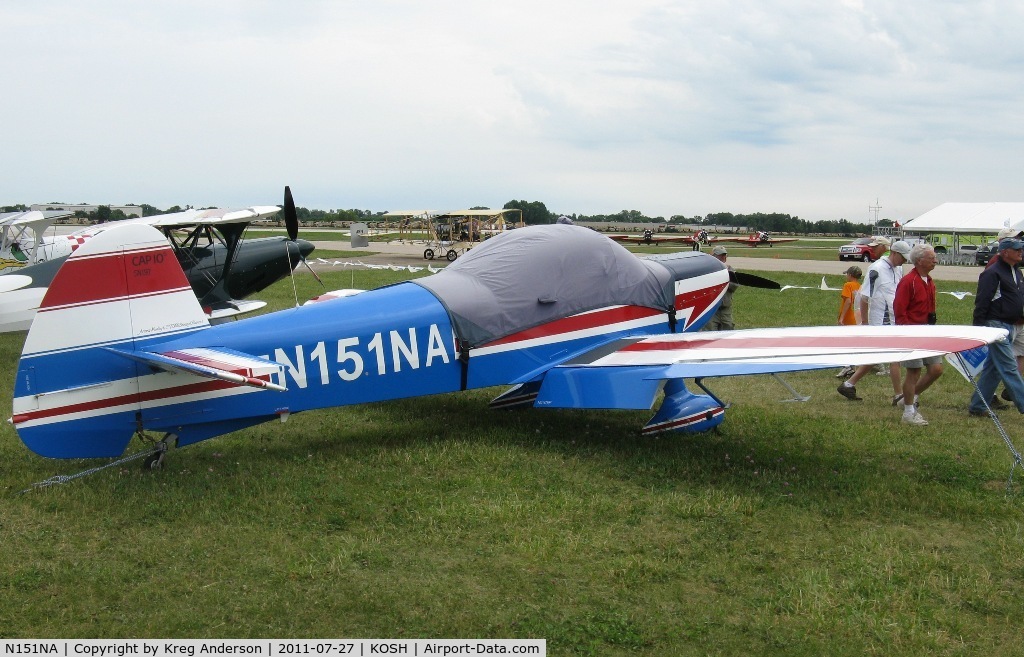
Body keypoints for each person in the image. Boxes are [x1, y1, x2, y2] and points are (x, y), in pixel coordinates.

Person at [837, 238, 910, 402]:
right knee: (895, 357)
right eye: (903, 257)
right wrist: (865, 323)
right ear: (894, 253)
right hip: (880, 320)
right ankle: (899, 395)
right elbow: (864, 297)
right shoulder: (876, 269)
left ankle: (848, 385)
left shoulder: (899, 269)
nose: (905, 261)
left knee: (877, 357)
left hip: (893, 317)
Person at [968, 237, 1024, 416]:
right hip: (995, 325)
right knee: (1009, 367)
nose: (1020, 252)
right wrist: (978, 328)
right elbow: (982, 301)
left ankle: (977, 406)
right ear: (1005, 252)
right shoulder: (992, 273)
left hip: (1012, 325)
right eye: (1017, 249)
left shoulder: (1017, 272)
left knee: (993, 369)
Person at [893, 244, 941, 426]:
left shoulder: (929, 281)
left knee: (936, 370)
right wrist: (907, 333)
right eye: (931, 258)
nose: (935, 261)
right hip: (911, 332)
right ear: (920, 261)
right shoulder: (908, 282)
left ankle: (909, 398)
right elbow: (899, 310)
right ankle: (908, 412)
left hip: (928, 331)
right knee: (913, 372)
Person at [704, 245, 738, 330]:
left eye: (724, 255)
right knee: (710, 333)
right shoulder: (707, 270)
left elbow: (734, 286)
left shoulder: (730, 270)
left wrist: (723, 280)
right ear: (714, 256)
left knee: (728, 331)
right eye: (720, 255)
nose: (723, 257)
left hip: (725, 310)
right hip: (711, 309)